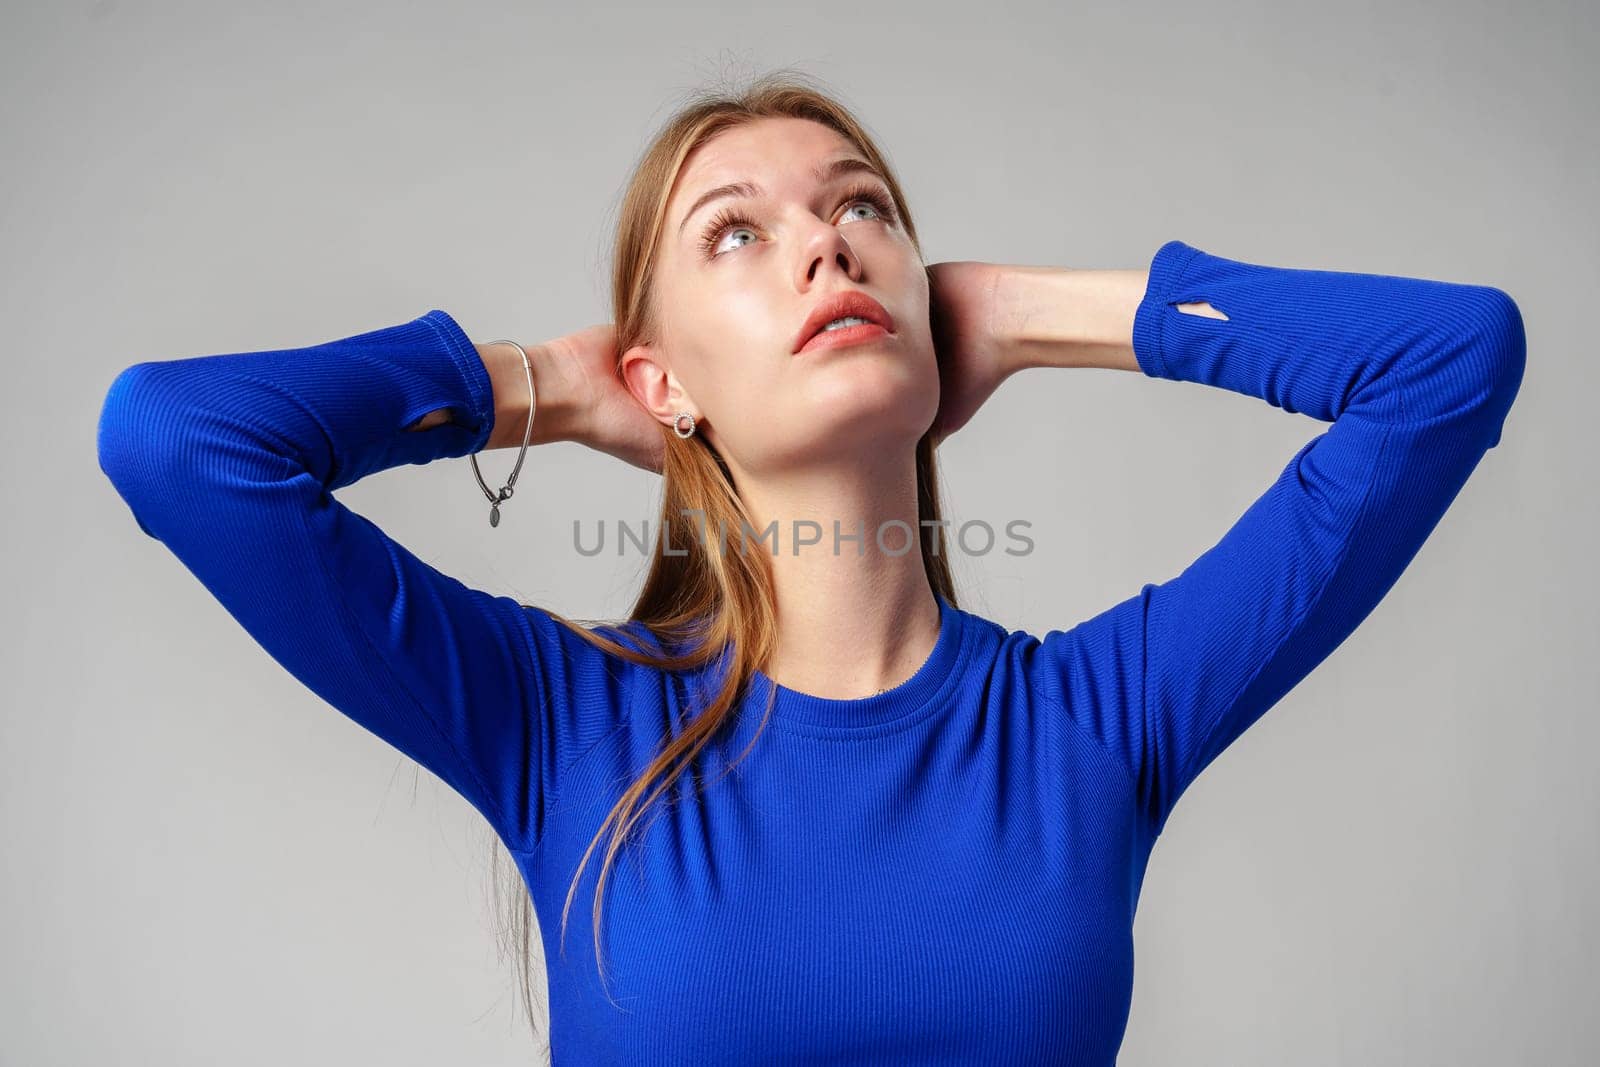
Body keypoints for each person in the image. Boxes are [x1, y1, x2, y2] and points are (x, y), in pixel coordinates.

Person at [96, 72, 1526, 1066]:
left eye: (868, 215)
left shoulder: (1095, 721)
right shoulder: (562, 719)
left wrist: (1029, 315)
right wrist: (533, 387)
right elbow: (176, 442)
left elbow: (1449, 364)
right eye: (740, 232)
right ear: (659, 379)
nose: (830, 248)